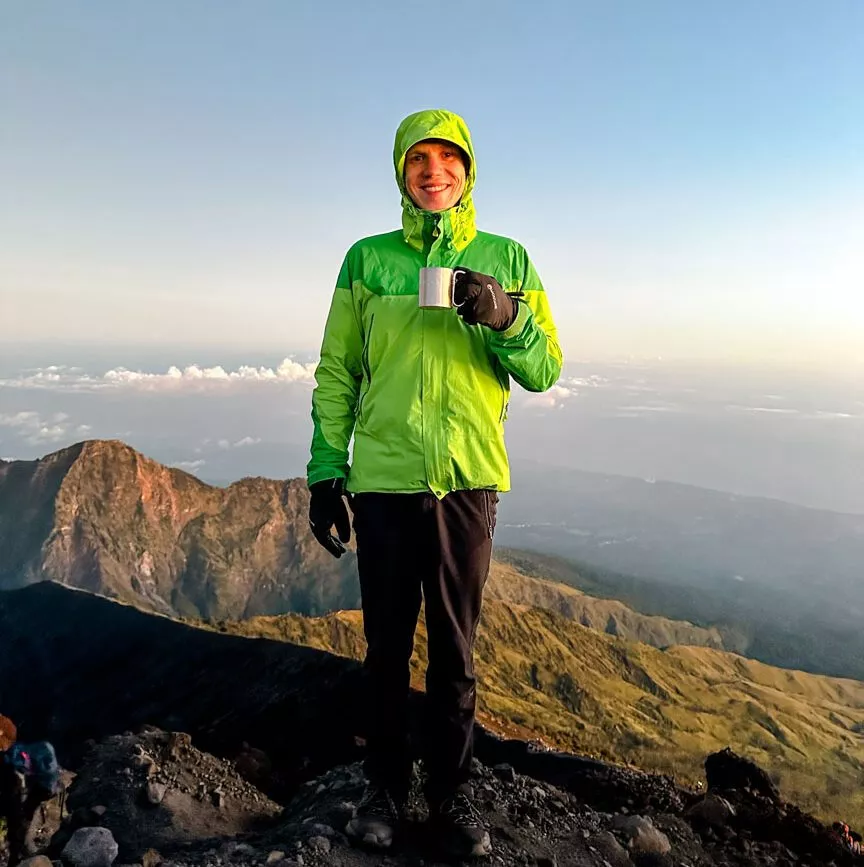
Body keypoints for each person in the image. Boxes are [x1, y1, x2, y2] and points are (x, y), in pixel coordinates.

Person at [307, 108, 562, 857]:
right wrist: (327, 473)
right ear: (400, 171)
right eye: (419, 160)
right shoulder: (367, 260)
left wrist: (503, 312)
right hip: (384, 483)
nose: (433, 173)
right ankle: (384, 790)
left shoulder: (507, 257)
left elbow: (544, 367)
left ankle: (449, 797)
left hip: (467, 485)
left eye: (448, 160)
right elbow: (337, 372)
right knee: (385, 649)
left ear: (468, 170)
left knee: (455, 651)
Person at [0, 714, 56, 867]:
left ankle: (17, 852)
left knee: (18, 819)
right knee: (18, 820)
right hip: (22, 787)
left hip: (19, 788)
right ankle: (17, 852)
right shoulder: (37, 748)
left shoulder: (28, 750)